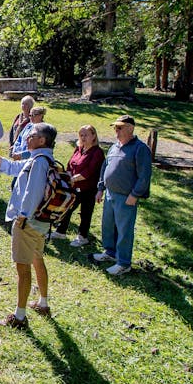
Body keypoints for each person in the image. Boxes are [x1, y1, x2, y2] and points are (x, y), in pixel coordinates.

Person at [0, 122, 59, 328]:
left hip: (28, 222)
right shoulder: (41, 159)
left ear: (42, 140)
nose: (28, 137)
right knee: (37, 259)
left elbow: (33, 191)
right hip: (40, 222)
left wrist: (23, 217)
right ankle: (43, 303)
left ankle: (19, 317)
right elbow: (10, 167)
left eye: (32, 135)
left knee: (23, 269)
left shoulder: (39, 162)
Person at [93, 115, 152, 276]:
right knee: (108, 225)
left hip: (126, 196)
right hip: (110, 194)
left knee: (124, 230)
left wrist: (135, 194)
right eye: (115, 128)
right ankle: (110, 253)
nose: (116, 131)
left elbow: (145, 175)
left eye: (120, 127)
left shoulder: (140, 148)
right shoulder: (114, 147)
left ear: (130, 128)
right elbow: (105, 168)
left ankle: (124, 263)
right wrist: (100, 188)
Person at [48, 125, 105, 247]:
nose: (83, 138)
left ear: (94, 136)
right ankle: (60, 231)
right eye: (81, 135)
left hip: (88, 188)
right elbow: (70, 165)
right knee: (67, 208)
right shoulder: (79, 148)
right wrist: (68, 176)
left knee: (85, 213)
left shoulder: (97, 152)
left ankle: (82, 236)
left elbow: (89, 171)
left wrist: (73, 179)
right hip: (74, 186)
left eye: (86, 135)